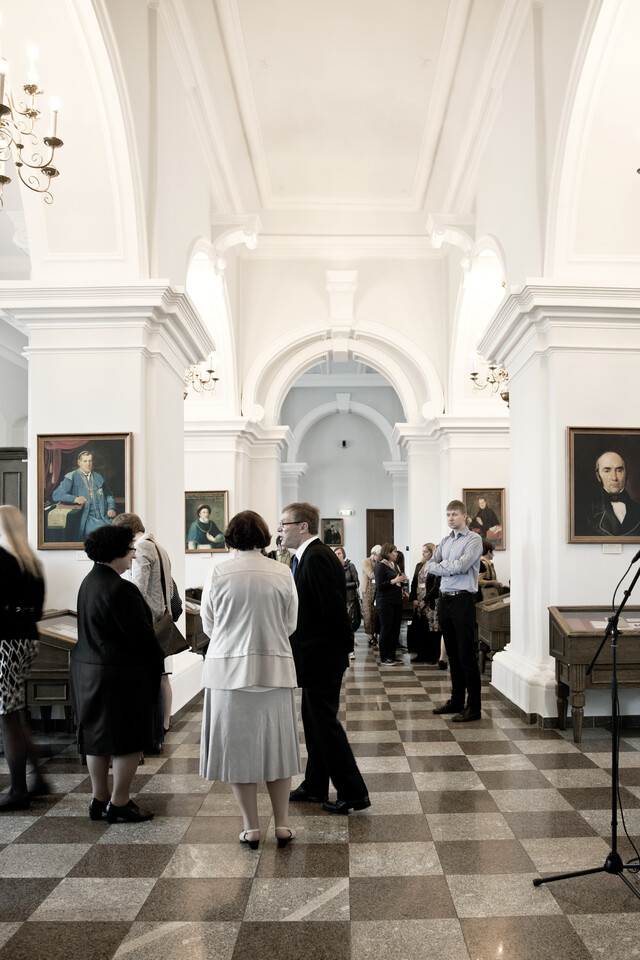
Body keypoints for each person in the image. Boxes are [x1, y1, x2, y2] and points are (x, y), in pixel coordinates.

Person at [199, 510, 300, 849]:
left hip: (228, 670)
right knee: (278, 749)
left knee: (238, 750)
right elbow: (290, 623)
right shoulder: (282, 571)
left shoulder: (218, 572)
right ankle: (282, 824)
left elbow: (209, 624)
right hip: (274, 668)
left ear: (230, 537)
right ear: (263, 536)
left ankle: (251, 827)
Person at [279, 502, 370, 814]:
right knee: (314, 721)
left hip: (322, 654)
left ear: (303, 526)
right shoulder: (307, 556)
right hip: (315, 653)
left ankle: (353, 792)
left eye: (284, 524)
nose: (280, 530)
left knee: (324, 724)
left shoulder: (317, 557)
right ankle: (315, 785)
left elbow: (332, 609)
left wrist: (344, 646)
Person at [71, 524, 163, 822]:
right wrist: (158, 662)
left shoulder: (89, 581)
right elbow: (142, 637)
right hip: (120, 676)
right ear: (117, 552)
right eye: (131, 550)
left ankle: (99, 798)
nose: (133, 556)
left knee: (96, 738)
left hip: (88, 671)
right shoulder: (122, 588)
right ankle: (120, 802)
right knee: (128, 739)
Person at [112, 513, 176, 753]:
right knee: (158, 678)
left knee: (150, 683)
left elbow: (137, 588)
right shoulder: (159, 547)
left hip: (148, 621)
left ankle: (153, 737)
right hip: (162, 619)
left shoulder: (141, 547)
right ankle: (158, 735)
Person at [0, 506, 48, 810]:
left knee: (7, 715)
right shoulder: (32, 562)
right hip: (27, 640)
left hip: (5, 643)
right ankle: (39, 779)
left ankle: (18, 789)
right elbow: (38, 611)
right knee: (14, 712)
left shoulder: (1, 559)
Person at [429, 500, 483, 722]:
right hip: (445, 599)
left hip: (463, 599)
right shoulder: (445, 541)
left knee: (466, 654)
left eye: (454, 514)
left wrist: (444, 567)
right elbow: (430, 565)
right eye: (448, 514)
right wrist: (449, 567)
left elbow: (463, 566)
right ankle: (457, 700)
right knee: (452, 653)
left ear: (464, 516)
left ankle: (474, 707)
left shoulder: (474, 539)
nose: (450, 518)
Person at [51, 450, 117, 539]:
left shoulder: (98, 477)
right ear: (79, 463)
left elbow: (109, 495)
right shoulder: (71, 476)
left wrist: (111, 508)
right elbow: (56, 495)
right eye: (85, 461)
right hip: (87, 519)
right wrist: (75, 499)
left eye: (90, 461)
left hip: (104, 517)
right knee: (104, 536)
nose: (88, 464)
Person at [579, 451, 640, 537]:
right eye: (607, 471)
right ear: (598, 476)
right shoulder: (586, 511)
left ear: (625, 473)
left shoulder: (637, 508)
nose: (614, 477)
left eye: (619, 470)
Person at [374, 543, 408, 665]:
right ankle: (384, 657)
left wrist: (402, 581)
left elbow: (397, 581)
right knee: (386, 629)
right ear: (387, 553)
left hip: (396, 600)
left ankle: (392, 656)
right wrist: (395, 580)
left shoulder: (395, 565)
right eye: (394, 551)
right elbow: (380, 586)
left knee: (395, 629)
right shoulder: (380, 566)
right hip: (385, 601)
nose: (396, 554)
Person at [408, 543, 441, 664]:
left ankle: (433, 655)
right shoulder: (419, 565)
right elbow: (414, 582)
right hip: (419, 598)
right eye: (422, 551)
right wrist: (413, 598)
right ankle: (421, 654)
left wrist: (425, 600)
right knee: (420, 628)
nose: (423, 554)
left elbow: (436, 586)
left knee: (432, 628)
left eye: (426, 551)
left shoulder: (437, 565)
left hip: (430, 600)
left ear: (432, 552)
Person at [334, 547, 360, 660]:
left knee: (349, 625)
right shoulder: (333, 567)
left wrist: (343, 585)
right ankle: (341, 649)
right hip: (338, 599)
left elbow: (356, 583)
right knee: (339, 624)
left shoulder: (350, 566)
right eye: (335, 554)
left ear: (343, 555)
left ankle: (351, 650)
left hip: (350, 598)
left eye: (339, 553)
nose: (337, 555)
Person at [362, 545, 381, 646]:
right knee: (368, 613)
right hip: (367, 590)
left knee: (376, 613)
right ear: (373, 554)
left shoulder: (378, 562)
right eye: (378, 556)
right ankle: (370, 636)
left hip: (377, 589)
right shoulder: (365, 561)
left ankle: (376, 633)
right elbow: (371, 575)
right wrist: (381, 572)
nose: (379, 558)